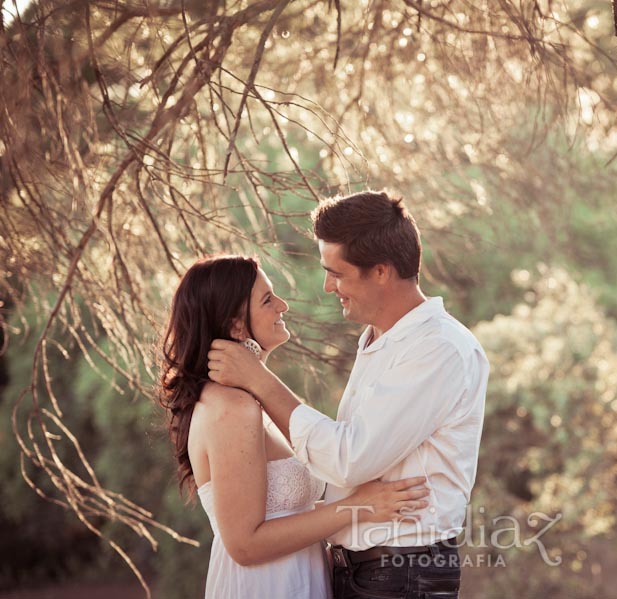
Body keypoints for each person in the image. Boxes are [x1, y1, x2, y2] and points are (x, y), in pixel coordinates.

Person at [208, 190, 490, 599]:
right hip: (362, 571)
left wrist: (261, 381)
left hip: (402, 573)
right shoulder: (379, 340)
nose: (327, 286)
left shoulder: (437, 349)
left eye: (337, 273)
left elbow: (349, 459)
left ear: (381, 272)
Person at [158, 255, 430, 599]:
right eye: (267, 299)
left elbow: (286, 512)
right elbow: (245, 544)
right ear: (236, 326)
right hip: (266, 586)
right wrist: (359, 508)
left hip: (298, 576)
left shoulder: (255, 403)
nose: (283, 306)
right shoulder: (231, 407)